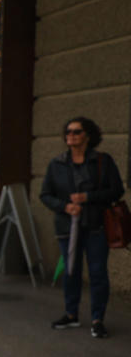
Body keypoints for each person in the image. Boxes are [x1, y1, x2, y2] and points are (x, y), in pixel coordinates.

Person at [40, 117, 124, 339]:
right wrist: (65, 206)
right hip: (68, 227)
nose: (71, 135)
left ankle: (98, 319)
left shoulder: (102, 161)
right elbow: (45, 195)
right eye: (68, 132)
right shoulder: (56, 163)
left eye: (76, 132)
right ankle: (71, 313)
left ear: (88, 135)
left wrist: (88, 197)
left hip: (96, 225)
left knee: (97, 273)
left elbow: (116, 191)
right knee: (71, 271)